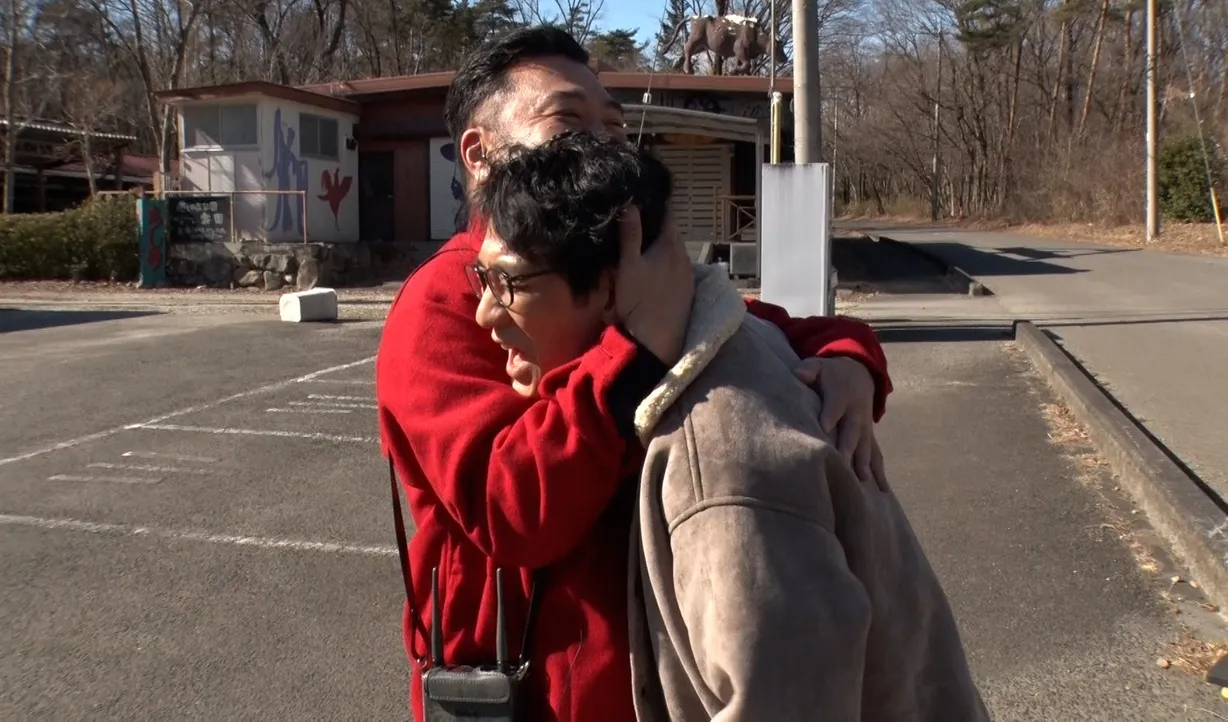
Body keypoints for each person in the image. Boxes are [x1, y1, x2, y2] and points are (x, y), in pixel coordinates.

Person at [376, 26, 895, 722]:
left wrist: (847, 357)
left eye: (613, 126)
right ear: (480, 154)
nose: (601, 142)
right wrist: (636, 345)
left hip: (656, 677)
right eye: (567, 119)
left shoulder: (626, 267)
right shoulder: (445, 304)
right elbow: (514, 512)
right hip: (526, 692)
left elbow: (737, 319)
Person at [474, 131, 988, 721]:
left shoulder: (719, 458)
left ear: (615, 283)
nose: (484, 312)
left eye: (507, 283)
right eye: (480, 278)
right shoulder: (719, 347)